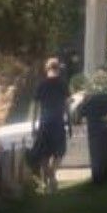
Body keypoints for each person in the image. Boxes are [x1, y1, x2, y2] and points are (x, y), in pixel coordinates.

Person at [29, 56, 72, 195]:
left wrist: (33, 126)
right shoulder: (63, 84)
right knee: (60, 151)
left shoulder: (41, 84)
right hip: (58, 122)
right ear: (58, 69)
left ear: (46, 69)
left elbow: (35, 107)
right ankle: (52, 174)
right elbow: (67, 106)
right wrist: (69, 122)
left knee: (44, 153)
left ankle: (46, 182)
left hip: (44, 122)